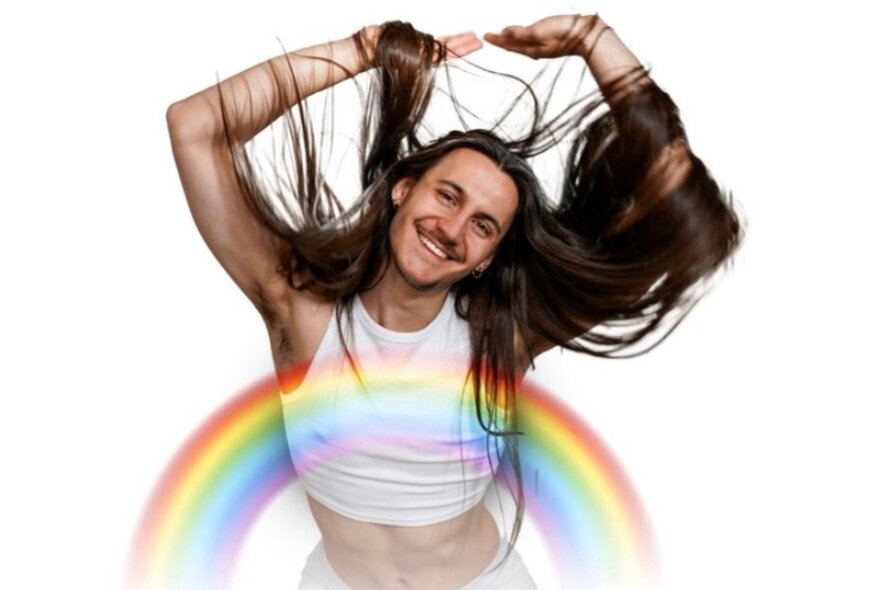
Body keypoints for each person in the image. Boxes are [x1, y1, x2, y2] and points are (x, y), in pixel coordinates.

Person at [166, 14, 742, 590]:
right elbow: (195, 125)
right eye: (447, 195)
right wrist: (363, 52)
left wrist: (594, 40)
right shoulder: (303, 312)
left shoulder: (502, 333)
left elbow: (673, 190)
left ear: (488, 257)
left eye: (483, 225)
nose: (452, 228)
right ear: (402, 189)